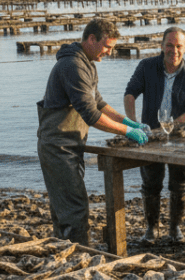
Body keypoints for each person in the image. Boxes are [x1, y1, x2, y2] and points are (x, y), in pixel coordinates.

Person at [37, 18, 148, 246]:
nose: (109, 52)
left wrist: (129, 121)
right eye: (107, 46)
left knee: (65, 208)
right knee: (74, 210)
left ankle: (64, 251)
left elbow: (98, 103)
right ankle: (76, 258)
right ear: (91, 39)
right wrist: (127, 131)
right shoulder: (73, 66)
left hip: (69, 146)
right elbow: (91, 115)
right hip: (58, 147)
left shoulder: (86, 63)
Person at [123, 27, 185, 244]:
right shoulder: (146, 67)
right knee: (150, 183)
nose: (174, 51)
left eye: (179, 46)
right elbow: (130, 93)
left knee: (180, 184)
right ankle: (151, 229)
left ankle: (175, 228)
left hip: (181, 137)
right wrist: (132, 125)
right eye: (170, 45)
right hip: (149, 136)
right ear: (161, 46)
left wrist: (170, 125)